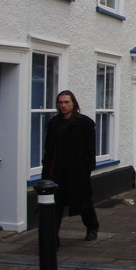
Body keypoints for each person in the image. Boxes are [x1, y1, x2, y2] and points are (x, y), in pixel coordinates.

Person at [42, 90, 99, 246]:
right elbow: (49, 148)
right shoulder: (54, 123)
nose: (63, 105)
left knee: (84, 202)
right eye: (60, 102)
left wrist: (87, 168)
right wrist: (46, 170)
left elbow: (90, 149)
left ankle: (92, 227)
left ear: (73, 103)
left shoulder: (85, 123)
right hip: (57, 171)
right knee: (56, 204)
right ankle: (53, 239)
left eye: (66, 102)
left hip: (77, 170)